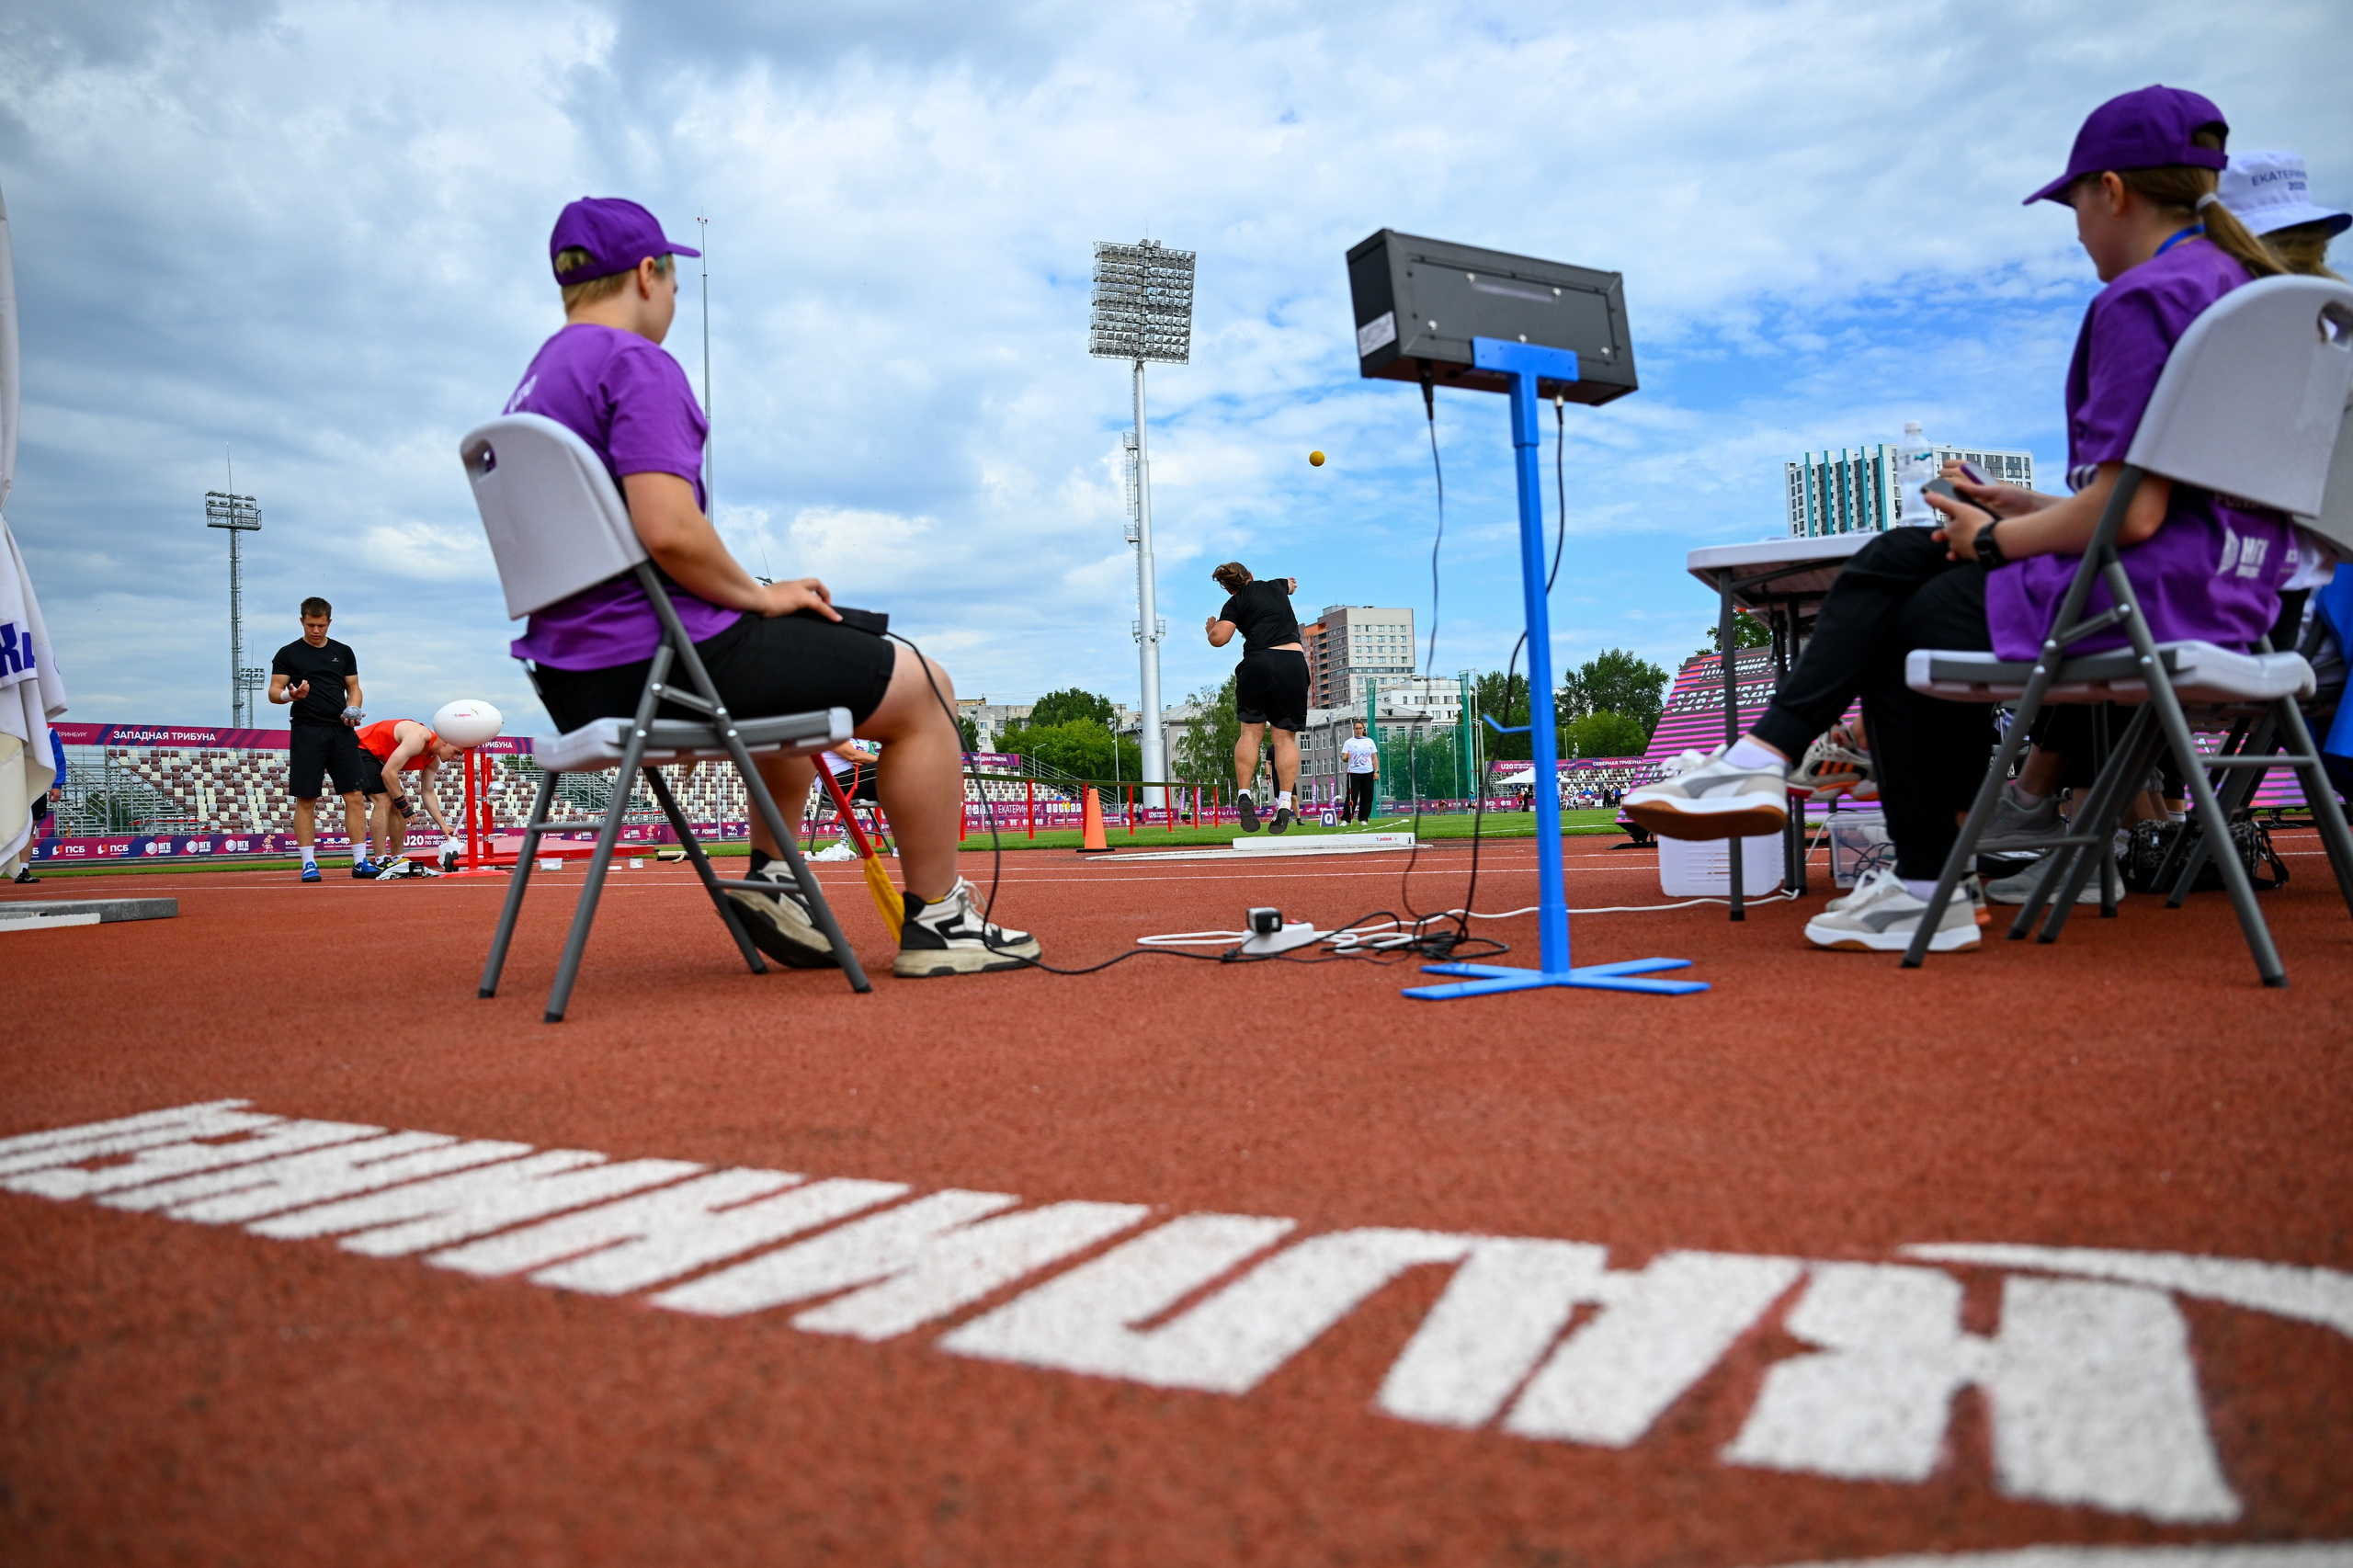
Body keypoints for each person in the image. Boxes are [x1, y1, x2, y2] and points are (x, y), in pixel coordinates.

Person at [1625, 85, 2300, 954]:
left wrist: (1991, 537)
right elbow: (2171, 502)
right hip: (2239, 591)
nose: (2078, 227)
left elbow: (2132, 517)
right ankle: (1795, 782)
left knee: (1905, 611)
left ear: (2114, 191)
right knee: (1907, 563)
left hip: (2151, 597)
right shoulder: (2242, 291)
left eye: (2075, 204)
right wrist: (2030, 512)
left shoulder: (2145, 297)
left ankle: (1866, 836)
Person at [502, 197, 1034, 978]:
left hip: (574, 681)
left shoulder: (535, 384)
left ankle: (779, 881)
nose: (674, 301)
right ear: (649, 275)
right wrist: (758, 595)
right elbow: (669, 529)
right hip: (664, 666)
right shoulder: (634, 362)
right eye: (674, 284)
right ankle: (939, 923)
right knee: (924, 686)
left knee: (810, 665)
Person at [269, 597, 375, 882]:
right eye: (310, 624)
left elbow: (353, 688)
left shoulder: (343, 651)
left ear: (330, 622)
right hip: (307, 730)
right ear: (301, 621)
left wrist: (352, 707)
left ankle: (360, 861)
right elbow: (273, 692)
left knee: (354, 796)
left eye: (321, 625)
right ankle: (308, 864)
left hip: (340, 730)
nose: (316, 630)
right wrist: (291, 695)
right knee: (307, 798)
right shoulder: (288, 653)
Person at [1203, 562, 1305, 833]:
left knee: (1250, 735)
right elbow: (1291, 585)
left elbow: (1219, 639)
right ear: (1250, 575)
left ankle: (1245, 795)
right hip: (1293, 662)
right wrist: (1290, 586)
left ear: (1228, 587)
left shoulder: (1234, 604)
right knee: (1284, 739)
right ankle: (1284, 803)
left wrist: (1211, 629)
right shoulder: (1274, 584)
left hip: (1258, 663)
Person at [355, 718, 462, 875]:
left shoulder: (433, 762)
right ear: (446, 742)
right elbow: (388, 773)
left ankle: (398, 857)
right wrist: (405, 807)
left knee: (397, 801)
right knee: (384, 800)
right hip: (359, 747)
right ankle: (380, 859)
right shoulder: (419, 738)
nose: (455, 758)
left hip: (376, 756)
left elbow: (428, 791)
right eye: (456, 752)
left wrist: (443, 825)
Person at [1338, 719, 1378, 824]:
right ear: (1353, 729)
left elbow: (1374, 758)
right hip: (1354, 772)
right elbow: (1344, 758)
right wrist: (1346, 757)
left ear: (1363, 729)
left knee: (1367, 796)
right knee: (1352, 796)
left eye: (1360, 728)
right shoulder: (1349, 742)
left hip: (1368, 772)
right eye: (1356, 729)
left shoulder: (1369, 741)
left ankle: (1363, 818)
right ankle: (1346, 819)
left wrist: (1376, 771)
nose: (1358, 730)